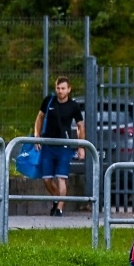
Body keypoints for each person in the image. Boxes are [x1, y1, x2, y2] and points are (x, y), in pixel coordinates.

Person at [32, 75, 86, 217]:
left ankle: (59, 209)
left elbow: (80, 126)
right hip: (48, 144)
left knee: (61, 177)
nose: (60, 91)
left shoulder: (73, 106)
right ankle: (57, 198)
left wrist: (81, 146)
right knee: (47, 179)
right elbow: (39, 117)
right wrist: (37, 136)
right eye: (58, 88)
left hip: (64, 146)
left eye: (63, 88)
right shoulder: (49, 101)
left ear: (69, 89)